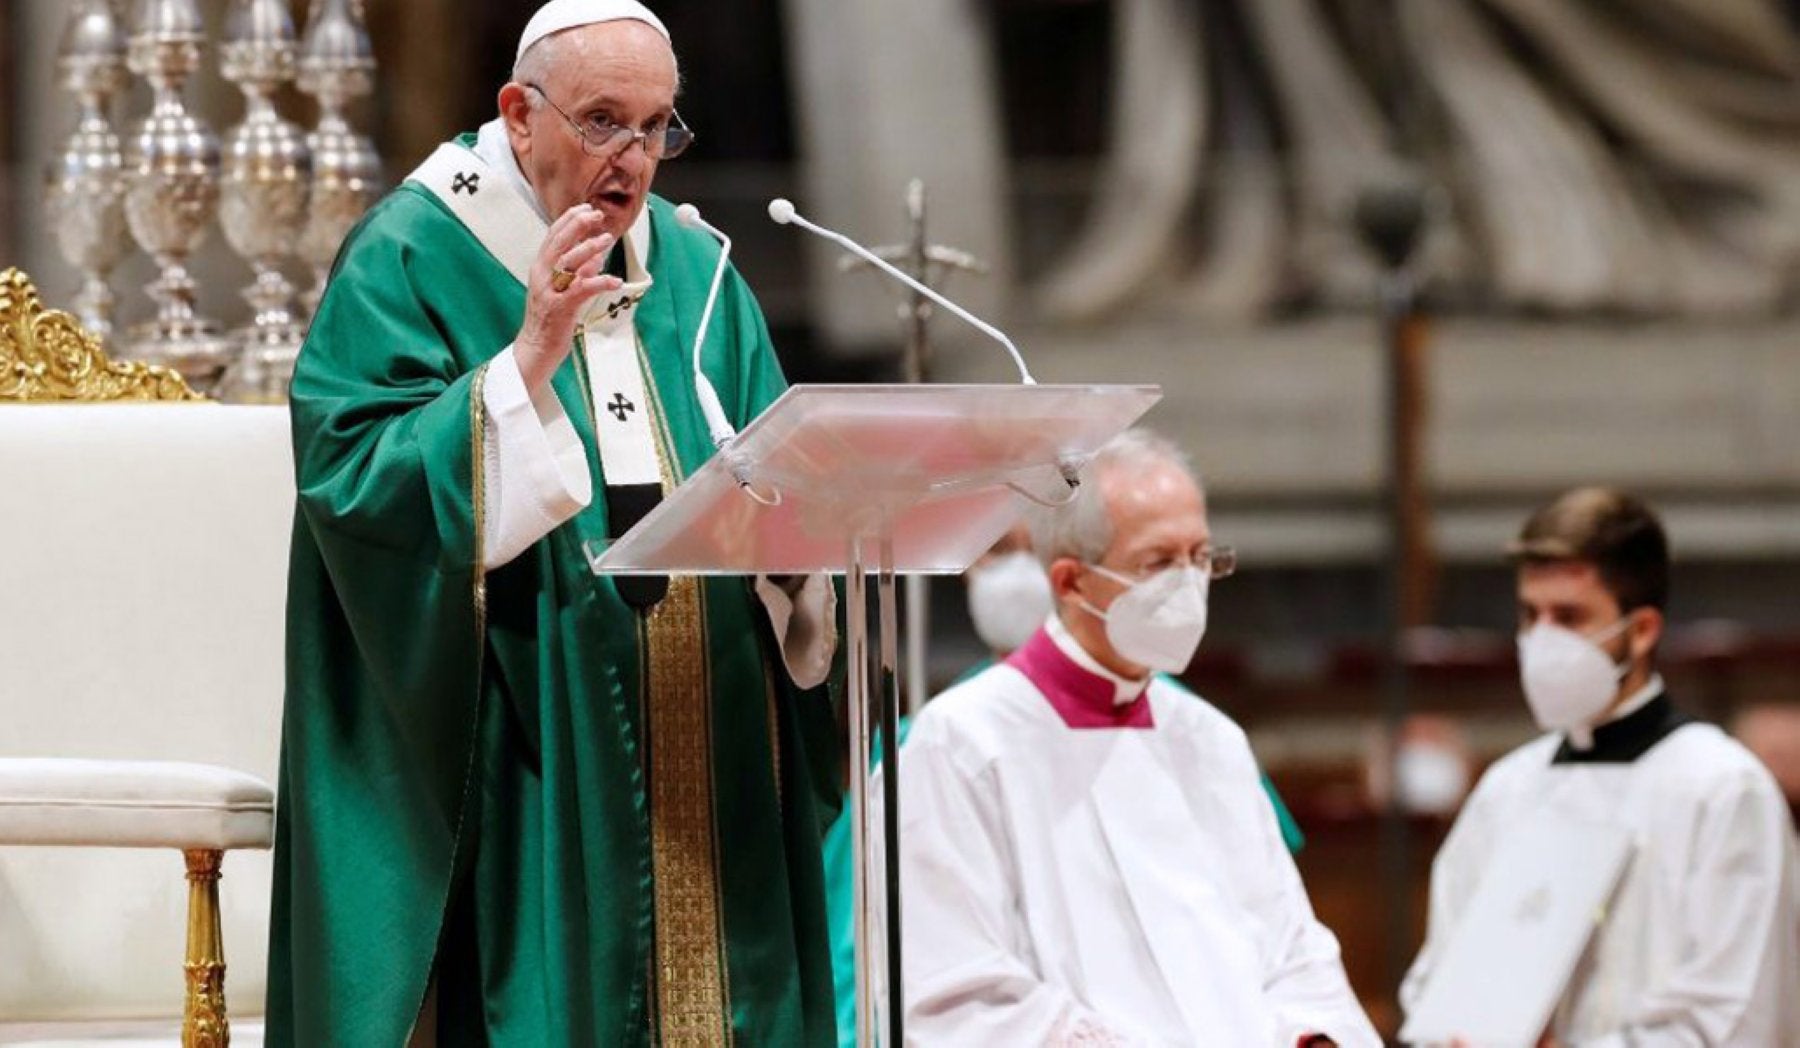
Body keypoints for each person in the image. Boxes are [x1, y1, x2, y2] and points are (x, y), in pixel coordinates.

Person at [268, 3, 842, 1044]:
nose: (633, 159)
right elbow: (352, 483)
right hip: (527, 729)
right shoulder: (413, 248)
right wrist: (526, 359)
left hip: (710, 731)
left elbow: (779, 470)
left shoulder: (696, 265)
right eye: (603, 121)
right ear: (518, 115)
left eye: (658, 127)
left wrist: (804, 555)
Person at [892, 429, 1378, 1045]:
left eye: (1201, 558)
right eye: (1159, 563)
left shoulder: (1210, 740)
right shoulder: (961, 745)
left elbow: (1293, 951)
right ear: (1070, 583)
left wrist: (1315, 1036)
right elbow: (961, 990)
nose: (1188, 583)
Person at [1402, 487, 1800, 1045]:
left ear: (1641, 631)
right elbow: (1438, 982)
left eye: (1569, 617)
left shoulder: (1723, 789)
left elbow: (1737, 1018)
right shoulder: (1508, 789)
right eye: (1530, 615)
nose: (1542, 639)